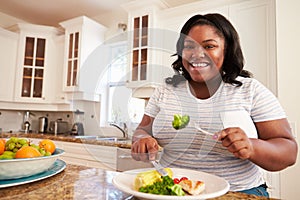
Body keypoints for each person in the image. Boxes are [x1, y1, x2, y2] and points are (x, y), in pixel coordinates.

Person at [131, 13, 297, 197]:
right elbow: (142, 131)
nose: (197, 54)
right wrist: (141, 140)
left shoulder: (250, 90)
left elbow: (289, 152)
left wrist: (251, 146)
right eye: (188, 47)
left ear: (227, 50)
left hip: (238, 192)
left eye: (209, 46)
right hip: (170, 190)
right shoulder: (165, 90)